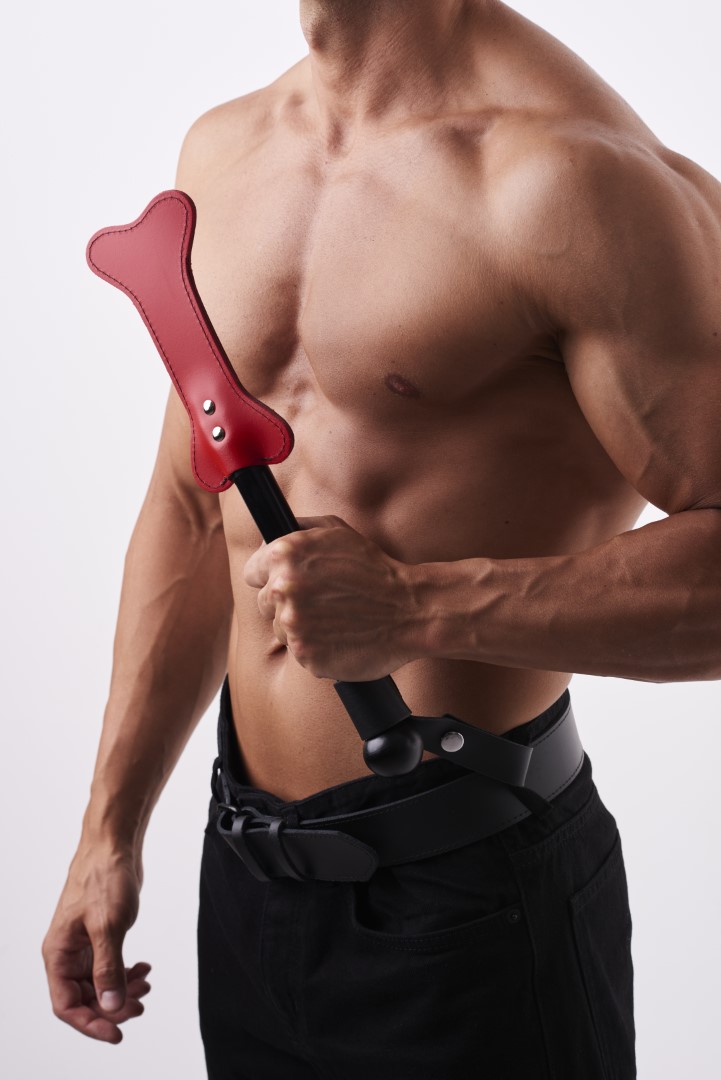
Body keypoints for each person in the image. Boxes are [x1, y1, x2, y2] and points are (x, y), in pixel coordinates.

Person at [43, 1, 721, 1077]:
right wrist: (108, 829)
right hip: (250, 884)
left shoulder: (578, 184)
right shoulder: (223, 154)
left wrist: (417, 607)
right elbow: (192, 510)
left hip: (474, 899)